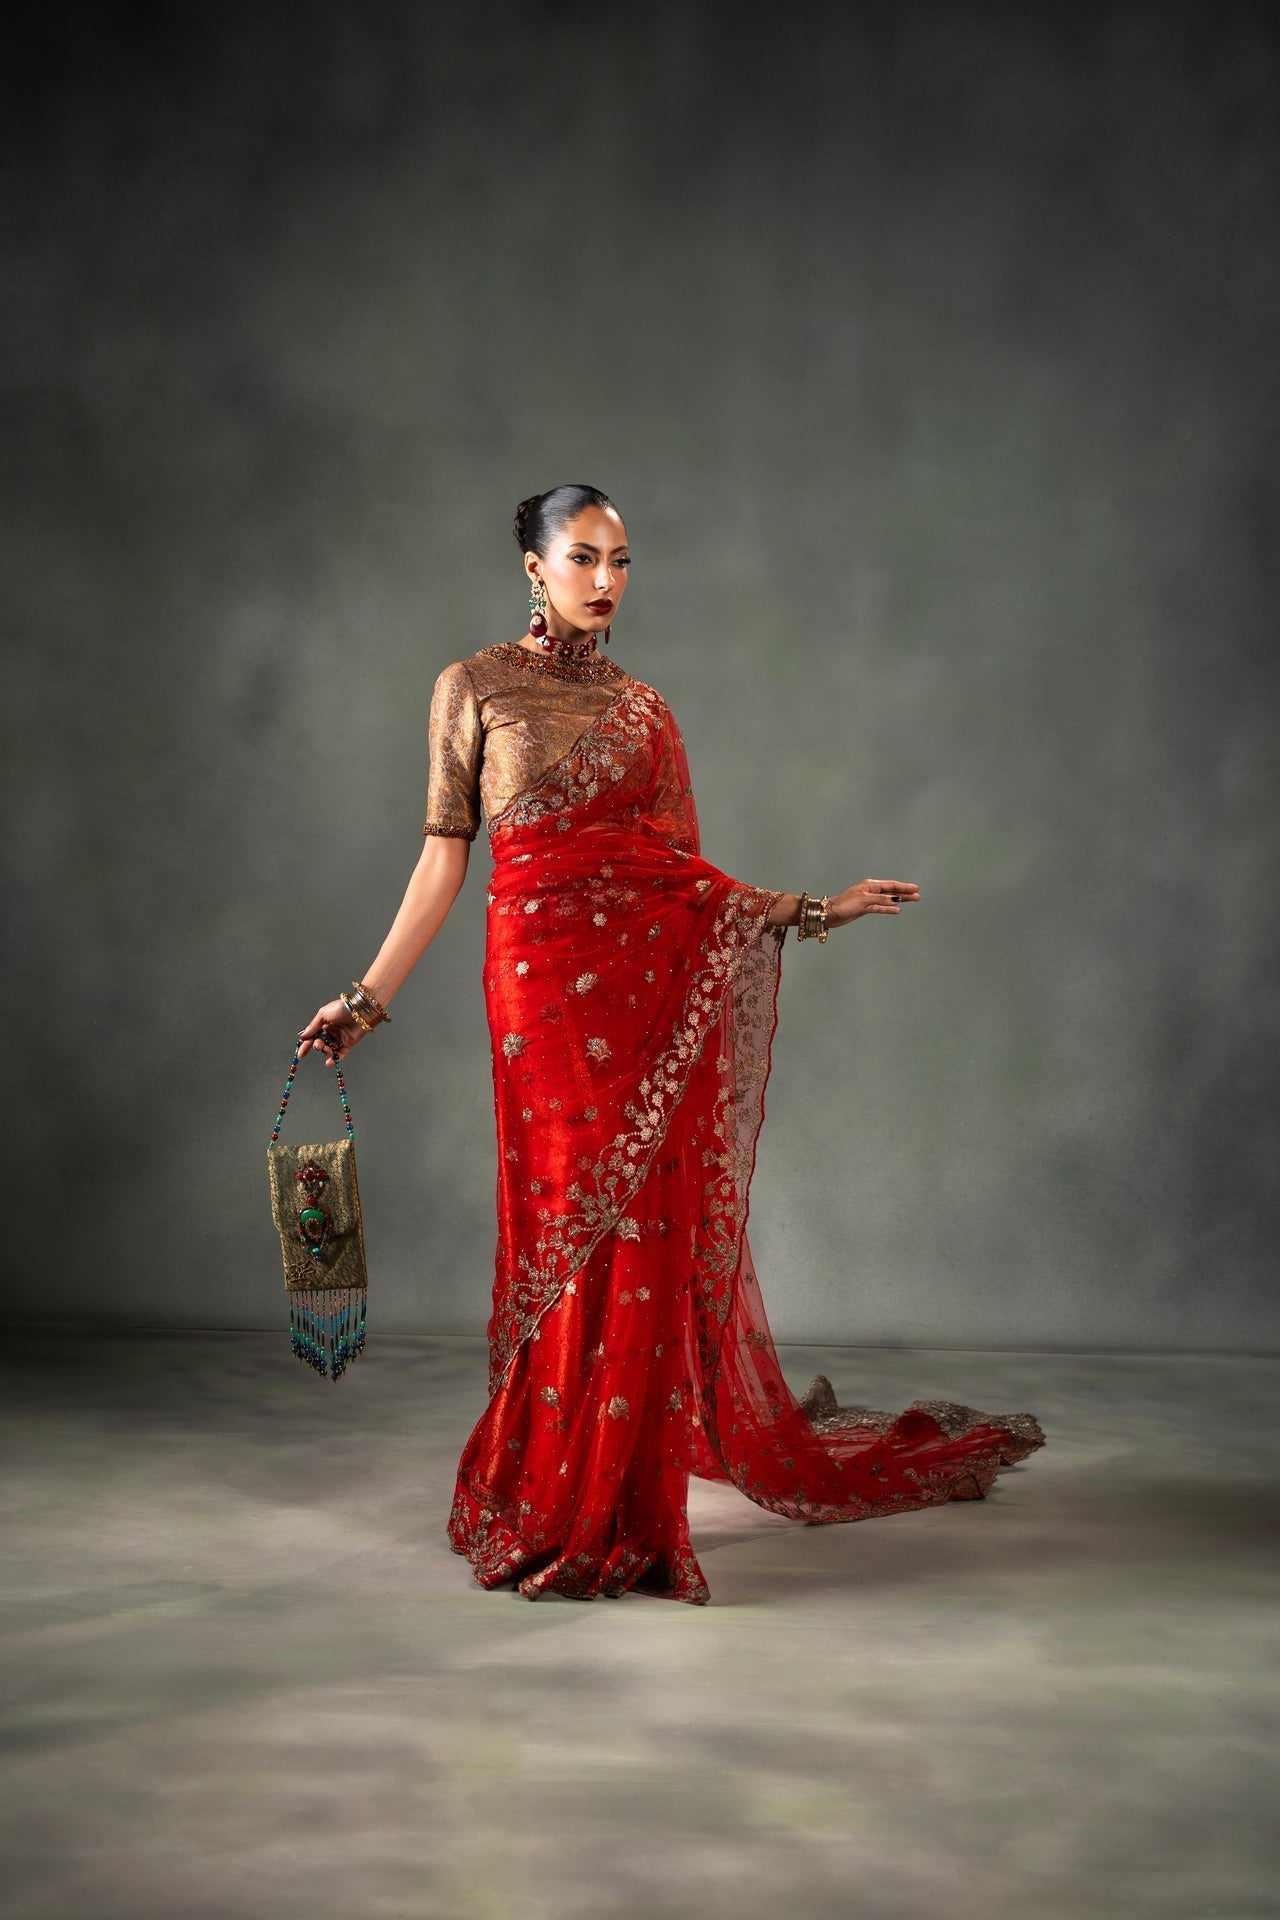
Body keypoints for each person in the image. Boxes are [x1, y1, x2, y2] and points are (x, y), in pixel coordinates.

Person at [298, 483, 1045, 1604]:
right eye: (583, 557)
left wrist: (814, 910)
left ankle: (623, 1507)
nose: (606, 581)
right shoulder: (474, 687)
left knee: (639, 1228)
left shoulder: (645, 712)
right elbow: (445, 858)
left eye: (622, 561)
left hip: (637, 999)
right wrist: (364, 1000)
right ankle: (547, 1487)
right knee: (559, 1223)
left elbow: (680, 885)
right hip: (536, 990)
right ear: (534, 567)